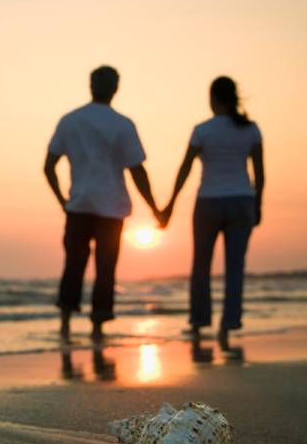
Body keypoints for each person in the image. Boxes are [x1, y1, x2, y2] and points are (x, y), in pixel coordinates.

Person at [44, 65, 162, 342]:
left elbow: (48, 166)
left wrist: (62, 199)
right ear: (116, 88)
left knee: (74, 264)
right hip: (112, 207)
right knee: (105, 267)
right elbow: (137, 170)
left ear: (90, 85)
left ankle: (65, 324)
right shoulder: (122, 124)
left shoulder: (70, 120)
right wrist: (155, 208)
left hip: (79, 204)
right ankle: (97, 327)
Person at [158, 76, 265, 347]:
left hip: (209, 201)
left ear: (213, 98)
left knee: (202, 265)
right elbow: (260, 174)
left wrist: (170, 204)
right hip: (242, 200)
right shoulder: (251, 129)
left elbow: (185, 168)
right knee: (235, 267)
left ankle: (198, 322)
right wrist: (258, 204)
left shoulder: (202, 130)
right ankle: (228, 325)